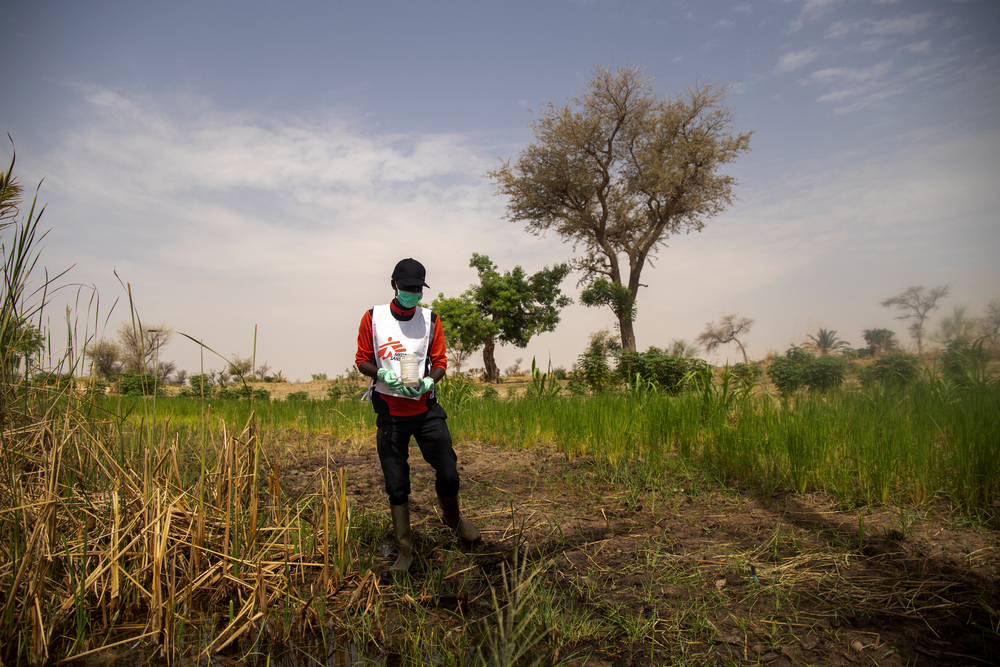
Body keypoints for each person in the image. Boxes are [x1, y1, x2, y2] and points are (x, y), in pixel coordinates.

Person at [355, 258, 481, 573]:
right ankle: (405, 549)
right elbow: (362, 360)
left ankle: (454, 521)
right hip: (390, 412)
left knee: (449, 471)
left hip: (426, 410)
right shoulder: (373, 318)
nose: (412, 293)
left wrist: (429, 380)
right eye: (407, 288)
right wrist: (384, 376)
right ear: (394, 285)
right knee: (397, 484)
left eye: (417, 289)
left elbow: (440, 361)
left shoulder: (430, 320)